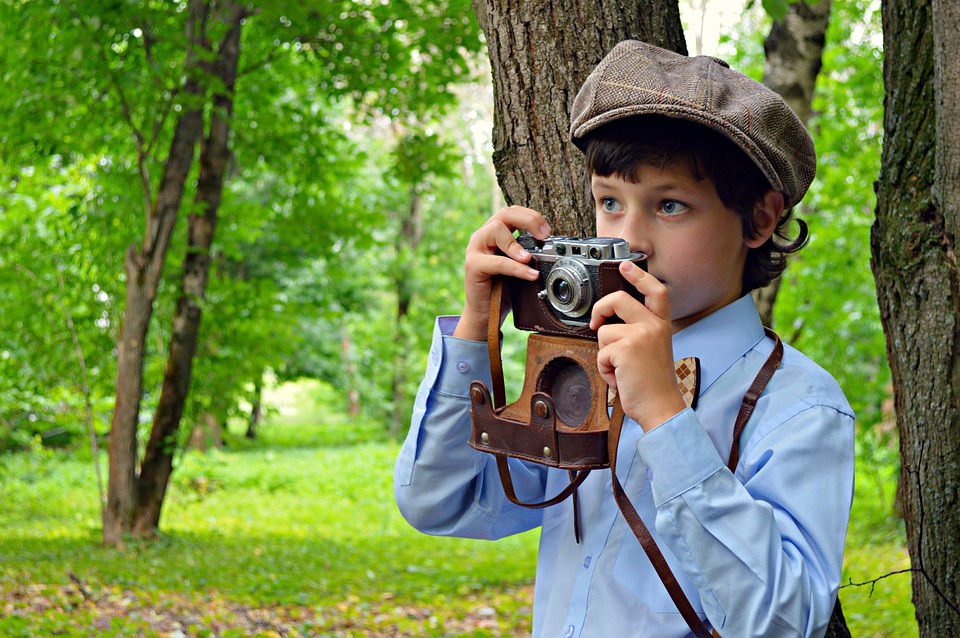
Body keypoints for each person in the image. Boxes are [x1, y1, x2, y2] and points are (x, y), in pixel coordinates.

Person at [394, 39, 854, 638]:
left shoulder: (798, 406)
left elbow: (785, 623)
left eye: (669, 205)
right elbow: (439, 500)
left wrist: (665, 417)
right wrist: (475, 327)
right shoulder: (577, 373)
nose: (629, 238)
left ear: (761, 220)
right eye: (609, 202)